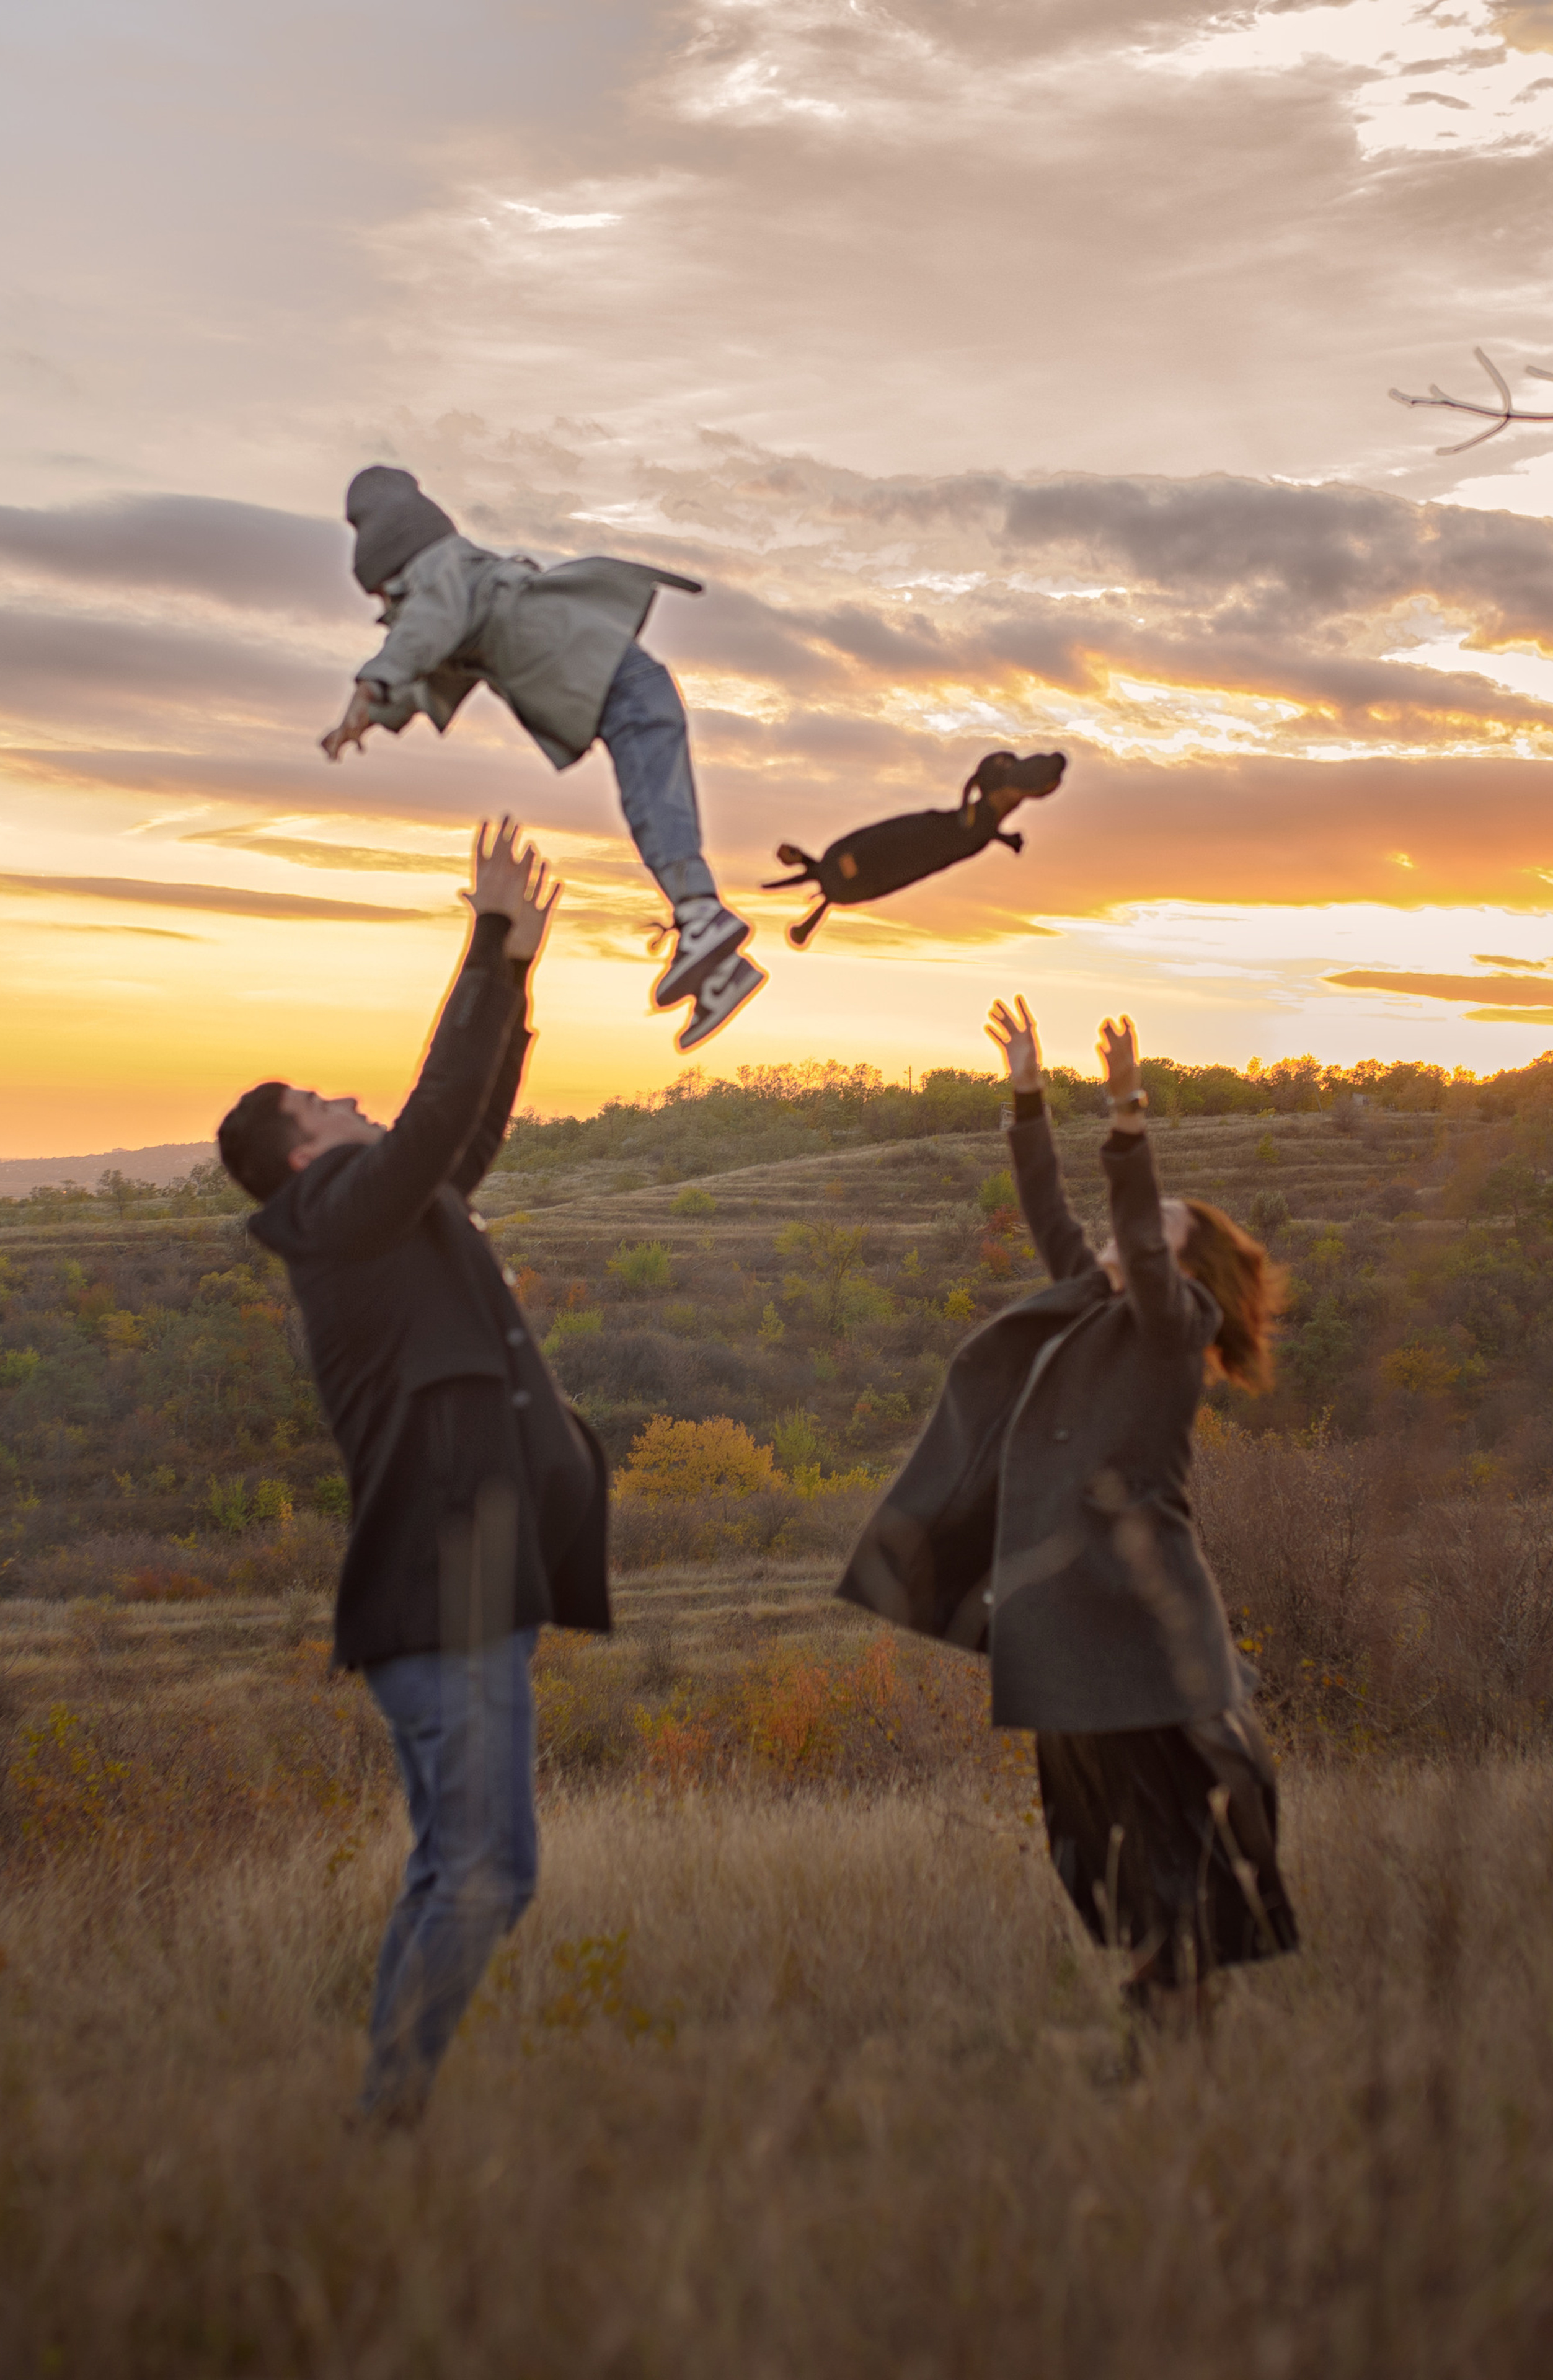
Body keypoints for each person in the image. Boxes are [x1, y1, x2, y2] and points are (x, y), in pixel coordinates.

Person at [216, 818, 611, 2125]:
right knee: (483, 1877)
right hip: (432, 1596)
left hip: (465, 1589)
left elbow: (463, 1128)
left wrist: (520, 980)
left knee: (473, 1872)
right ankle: (384, 2119)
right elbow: (434, 1115)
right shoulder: (327, 1221)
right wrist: (484, 946)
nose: (349, 1100)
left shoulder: (390, 1216)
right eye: (324, 1104)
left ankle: (385, 2116)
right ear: (299, 1151)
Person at [838, 994, 1296, 2017]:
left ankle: (1174, 1984)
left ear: (1180, 1269)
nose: (1118, 1242)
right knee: (1094, 1808)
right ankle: (1172, 1976)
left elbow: (1134, 1240)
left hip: (1134, 1604)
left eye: (1153, 1236)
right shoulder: (1093, 1308)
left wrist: (1129, 1116)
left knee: (1159, 1793)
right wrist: (1027, 1091)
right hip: (1063, 1610)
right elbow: (1055, 1213)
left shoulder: (1177, 1326)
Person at [318, 465, 764, 1052]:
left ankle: (702, 917)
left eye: (382, 596)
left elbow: (424, 630)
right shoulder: (468, 585)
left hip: (622, 684)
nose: (385, 611)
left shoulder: (443, 573)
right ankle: (721, 968)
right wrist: (371, 714)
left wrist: (369, 687)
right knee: (652, 807)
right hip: (628, 682)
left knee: (652, 808)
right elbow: (430, 670)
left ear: (395, 565)